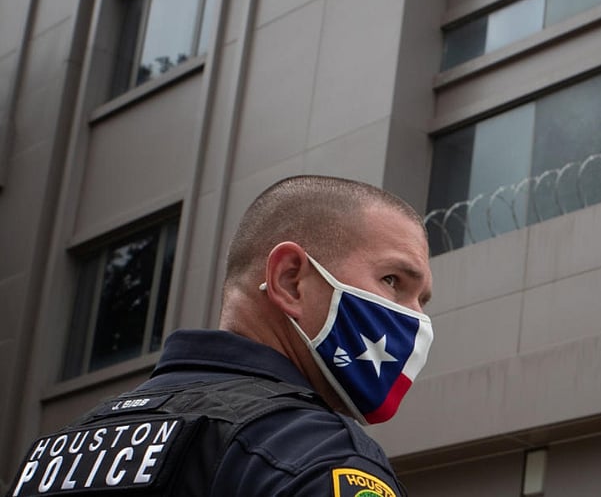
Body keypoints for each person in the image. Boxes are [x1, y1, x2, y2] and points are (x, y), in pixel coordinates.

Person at [7, 176, 434, 497]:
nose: (415, 319)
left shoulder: (55, 452)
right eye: (393, 281)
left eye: (423, 300)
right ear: (290, 281)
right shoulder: (316, 454)